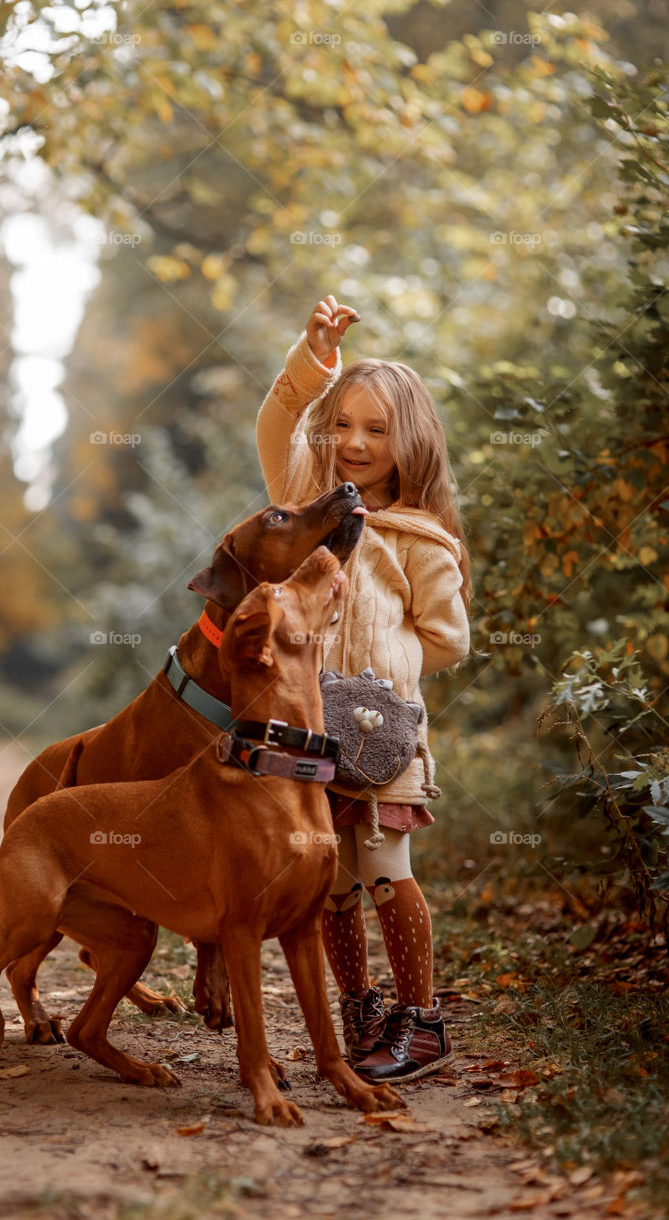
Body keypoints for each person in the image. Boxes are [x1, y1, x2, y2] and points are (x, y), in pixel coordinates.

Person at [256, 294, 471, 1083]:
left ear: (405, 440)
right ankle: (361, 1009)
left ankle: (423, 1023)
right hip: (310, 729)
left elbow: (448, 640)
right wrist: (314, 360)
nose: (353, 442)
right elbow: (276, 429)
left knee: (384, 866)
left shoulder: (418, 537)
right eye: (343, 424)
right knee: (329, 881)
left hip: (382, 732)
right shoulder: (311, 506)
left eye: (375, 430)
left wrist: (379, 673)